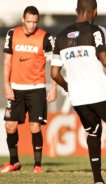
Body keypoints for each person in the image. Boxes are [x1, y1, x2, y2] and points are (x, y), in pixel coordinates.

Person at [50, 0, 106, 183]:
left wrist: (69, 88)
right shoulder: (96, 31)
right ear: (95, 12)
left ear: (77, 11)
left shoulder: (60, 37)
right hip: (99, 93)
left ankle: (98, 180)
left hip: (78, 98)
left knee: (93, 132)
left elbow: (54, 73)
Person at [0, 6, 57, 173]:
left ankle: (37, 166)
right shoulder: (12, 34)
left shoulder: (46, 37)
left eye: (35, 22)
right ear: (23, 20)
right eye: (29, 21)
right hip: (15, 88)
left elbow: (55, 63)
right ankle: (14, 162)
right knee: (10, 126)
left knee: (35, 126)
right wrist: (6, 85)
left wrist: (53, 87)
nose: (32, 25)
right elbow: (7, 62)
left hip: (36, 88)